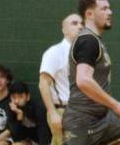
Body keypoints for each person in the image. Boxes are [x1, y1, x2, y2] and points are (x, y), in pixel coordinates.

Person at [62, 0, 120, 145]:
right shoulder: (88, 41)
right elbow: (83, 80)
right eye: (104, 9)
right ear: (89, 14)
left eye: (109, 8)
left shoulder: (94, 40)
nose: (110, 12)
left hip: (104, 118)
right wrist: (115, 105)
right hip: (82, 120)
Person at [38, 14, 83, 145]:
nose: (80, 26)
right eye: (74, 23)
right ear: (64, 30)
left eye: (82, 24)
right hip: (63, 110)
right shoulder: (55, 52)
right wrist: (52, 113)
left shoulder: (84, 54)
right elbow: (43, 84)